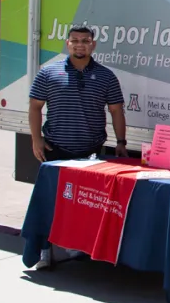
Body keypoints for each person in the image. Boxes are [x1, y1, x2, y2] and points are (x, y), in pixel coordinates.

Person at [28, 25, 128, 268]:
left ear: (93, 44)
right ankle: (44, 251)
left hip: (91, 153)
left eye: (85, 40)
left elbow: (116, 111)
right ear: (67, 43)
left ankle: (81, 249)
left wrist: (121, 142)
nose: (80, 44)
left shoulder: (106, 76)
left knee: (86, 205)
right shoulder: (48, 73)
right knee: (51, 204)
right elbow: (34, 107)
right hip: (56, 150)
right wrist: (36, 139)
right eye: (75, 40)